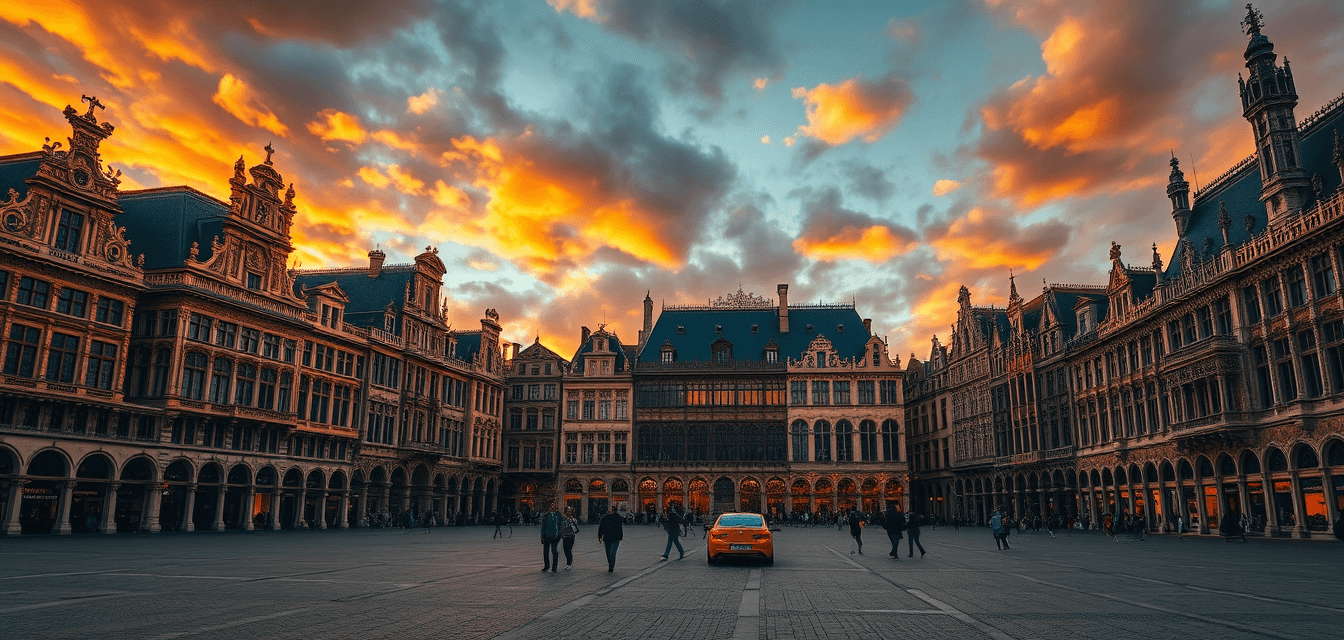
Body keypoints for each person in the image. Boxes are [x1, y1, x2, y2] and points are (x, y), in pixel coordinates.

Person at [598, 505, 624, 572]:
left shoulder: (618, 517)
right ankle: (610, 563)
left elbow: (620, 527)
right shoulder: (604, 518)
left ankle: (611, 566)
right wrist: (600, 536)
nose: (609, 510)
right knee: (608, 553)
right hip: (607, 538)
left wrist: (620, 537)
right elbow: (601, 527)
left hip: (615, 538)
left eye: (610, 509)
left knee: (613, 552)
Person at [539, 504, 563, 572]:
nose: (553, 508)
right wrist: (542, 536)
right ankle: (546, 566)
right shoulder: (546, 515)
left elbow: (561, 524)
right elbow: (543, 526)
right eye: (551, 506)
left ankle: (554, 566)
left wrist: (559, 534)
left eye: (554, 506)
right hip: (547, 535)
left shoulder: (558, 515)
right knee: (545, 552)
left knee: (554, 551)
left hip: (555, 536)